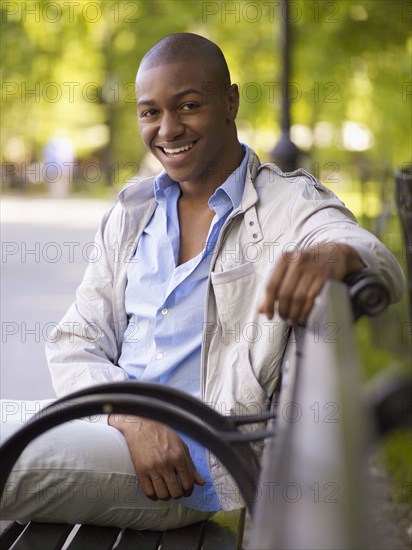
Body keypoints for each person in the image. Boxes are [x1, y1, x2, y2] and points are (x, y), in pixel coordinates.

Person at [0, 33, 405, 530]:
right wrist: (128, 417)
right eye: (150, 113)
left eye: (188, 106)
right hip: (111, 429)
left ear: (230, 101)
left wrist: (329, 255)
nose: (169, 129)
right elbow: (74, 340)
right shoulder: (133, 211)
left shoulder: (283, 205)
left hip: (192, 468)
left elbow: (378, 261)